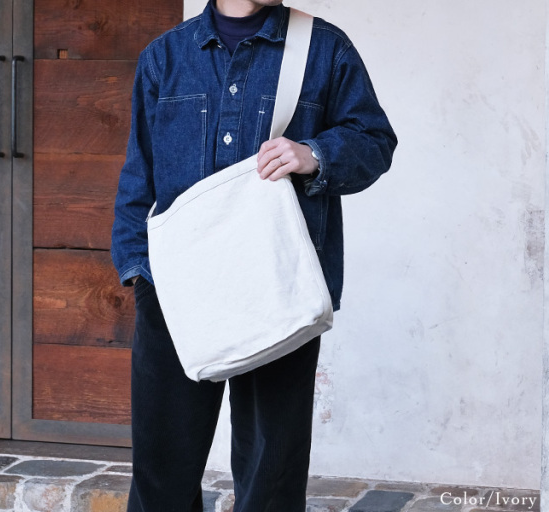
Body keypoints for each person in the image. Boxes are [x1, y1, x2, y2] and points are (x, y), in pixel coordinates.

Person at [111, 0, 397, 510]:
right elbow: (140, 172)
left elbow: (375, 141)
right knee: (162, 473)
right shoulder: (165, 57)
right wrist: (140, 273)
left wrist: (315, 155)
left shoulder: (323, 48)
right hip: (177, 290)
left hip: (279, 283)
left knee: (272, 473)